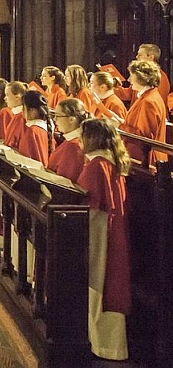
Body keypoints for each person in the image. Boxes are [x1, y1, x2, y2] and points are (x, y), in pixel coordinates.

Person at [76, 118, 131, 361]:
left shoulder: (97, 165)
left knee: (100, 281)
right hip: (111, 229)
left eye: (82, 136)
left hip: (98, 229)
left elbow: (88, 202)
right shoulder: (111, 160)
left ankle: (102, 345)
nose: (78, 141)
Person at [110, 60, 167, 165]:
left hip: (144, 159)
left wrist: (120, 126)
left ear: (142, 78)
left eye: (132, 76)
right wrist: (122, 121)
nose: (129, 79)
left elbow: (144, 138)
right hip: (139, 155)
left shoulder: (149, 102)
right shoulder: (147, 96)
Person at [47, 98, 88, 181]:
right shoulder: (70, 141)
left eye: (58, 116)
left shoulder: (74, 146)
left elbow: (65, 180)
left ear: (71, 119)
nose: (54, 119)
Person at [17, 90, 52, 166]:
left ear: (33, 111)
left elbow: (25, 157)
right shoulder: (44, 127)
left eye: (24, 108)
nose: (22, 111)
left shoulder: (33, 131)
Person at [3, 81, 28, 149]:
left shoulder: (21, 117)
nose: (5, 98)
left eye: (7, 95)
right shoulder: (16, 114)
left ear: (17, 97)